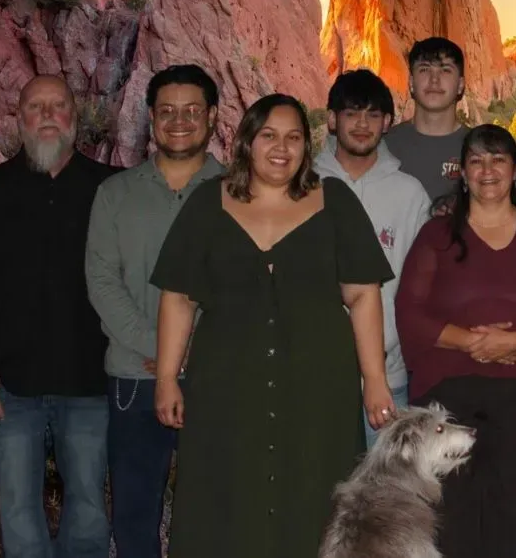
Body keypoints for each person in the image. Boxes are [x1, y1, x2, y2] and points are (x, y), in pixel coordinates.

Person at [149, 93, 396, 557]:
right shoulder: (208, 203)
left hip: (318, 392)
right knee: (224, 499)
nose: (281, 148)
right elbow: (179, 298)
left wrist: (375, 381)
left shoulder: (335, 202)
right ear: (247, 141)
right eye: (269, 136)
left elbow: (364, 295)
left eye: (293, 138)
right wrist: (166, 378)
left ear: (307, 146)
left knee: (315, 499)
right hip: (225, 390)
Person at [0, 74, 118, 558]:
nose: (47, 116)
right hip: (8, 391)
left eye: (58, 105)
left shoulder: (112, 189)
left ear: (75, 117)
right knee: (18, 520)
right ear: (18, 120)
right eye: (35, 107)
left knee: (89, 517)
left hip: (93, 388)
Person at [395, 124, 516, 558]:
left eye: (498, 160)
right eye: (476, 161)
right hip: (446, 398)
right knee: (450, 517)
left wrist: (514, 341)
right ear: (463, 172)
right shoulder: (436, 235)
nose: (487, 170)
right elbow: (409, 311)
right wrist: (469, 343)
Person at [85, 65, 224, 557]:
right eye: (167, 111)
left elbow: (248, 288)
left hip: (217, 376)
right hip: (135, 376)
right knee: (134, 515)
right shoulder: (115, 195)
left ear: (212, 116)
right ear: (151, 116)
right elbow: (102, 282)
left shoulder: (239, 192)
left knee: (216, 513)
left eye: (191, 110)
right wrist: (163, 351)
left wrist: (193, 353)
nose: (179, 121)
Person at [313, 69, 431, 445]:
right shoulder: (303, 186)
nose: (362, 124)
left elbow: (422, 288)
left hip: (388, 377)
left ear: (387, 122)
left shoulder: (410, 194)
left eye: (373, 114)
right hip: (311, 373)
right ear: (332, 119)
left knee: (385, 481)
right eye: (351, 113)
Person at [383, 37, 471, 213]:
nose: (434, 79)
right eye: (424, 69)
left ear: (460, 85)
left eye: (445, 70)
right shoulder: (383, 146)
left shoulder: (478, 149)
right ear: (411, 83)